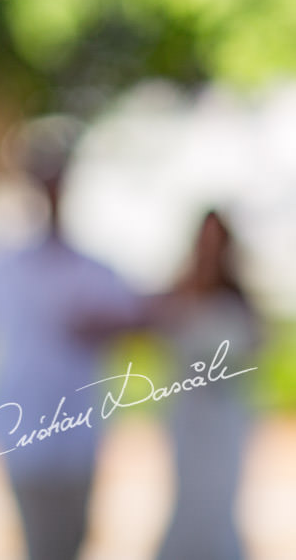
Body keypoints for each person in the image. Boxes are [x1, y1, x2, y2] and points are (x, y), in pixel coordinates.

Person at [0, 118, 145, 560]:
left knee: (70, 540)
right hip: (25, 432)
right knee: (42, 542)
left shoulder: (91, 270)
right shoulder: (6, 267)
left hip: (77, 435)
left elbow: (138, 319)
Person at [153, 210, 260, 560]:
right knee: (189, 502)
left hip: (225, 421)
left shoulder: (240, 301)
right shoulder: (177, 294)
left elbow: (254, 352)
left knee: (219, 504)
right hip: (188, 418)